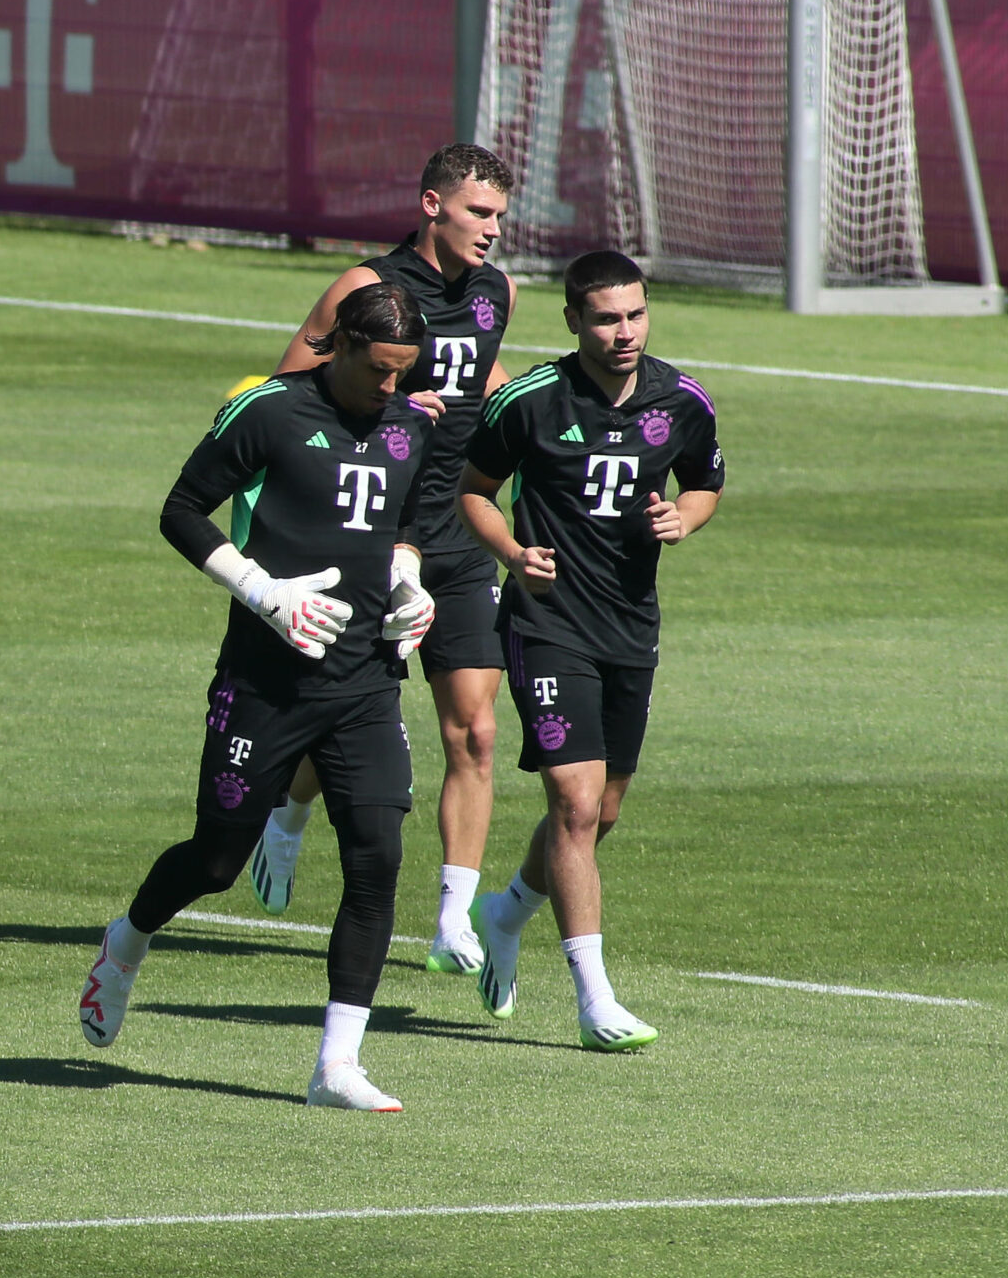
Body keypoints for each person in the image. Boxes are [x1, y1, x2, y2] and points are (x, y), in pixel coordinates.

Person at [79, 282, 439, 1112]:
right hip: (264, 681)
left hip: (363, 682)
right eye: (379, 371)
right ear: (342, 346)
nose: (391, 389)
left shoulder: (410, 426)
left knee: (377, 858)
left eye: (402, 374)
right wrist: (261, 590)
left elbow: (407, 522)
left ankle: (334, 1067)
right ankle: (124, 945)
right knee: (216, 859)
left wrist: (410, 583)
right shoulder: (269, 411)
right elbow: (180, 511)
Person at [244, 144, 519, 975]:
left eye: (501, 216)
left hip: (462, 536)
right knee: (345, 719)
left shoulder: (495, 291)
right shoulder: (366, 291)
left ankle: (453, 919)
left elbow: (485, 371)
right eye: (478, 212)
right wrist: (394, 408)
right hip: (371, 537)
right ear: (431, 204)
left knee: (473, 729)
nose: (492, 231)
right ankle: (285, 821)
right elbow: (286, 395)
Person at [455, 250, 722, 1050]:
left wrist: (686, 516)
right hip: (546, 625)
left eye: (636, 314)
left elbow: (705, 480)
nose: (625, 332)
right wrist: (510, 553)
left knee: (602, 812)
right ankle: (593, 999)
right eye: (607, 318)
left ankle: (505, 914)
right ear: (573, 321)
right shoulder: (532, 400)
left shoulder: (681, 401)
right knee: (571, 805)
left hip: (629, 627)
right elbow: (473, 488)